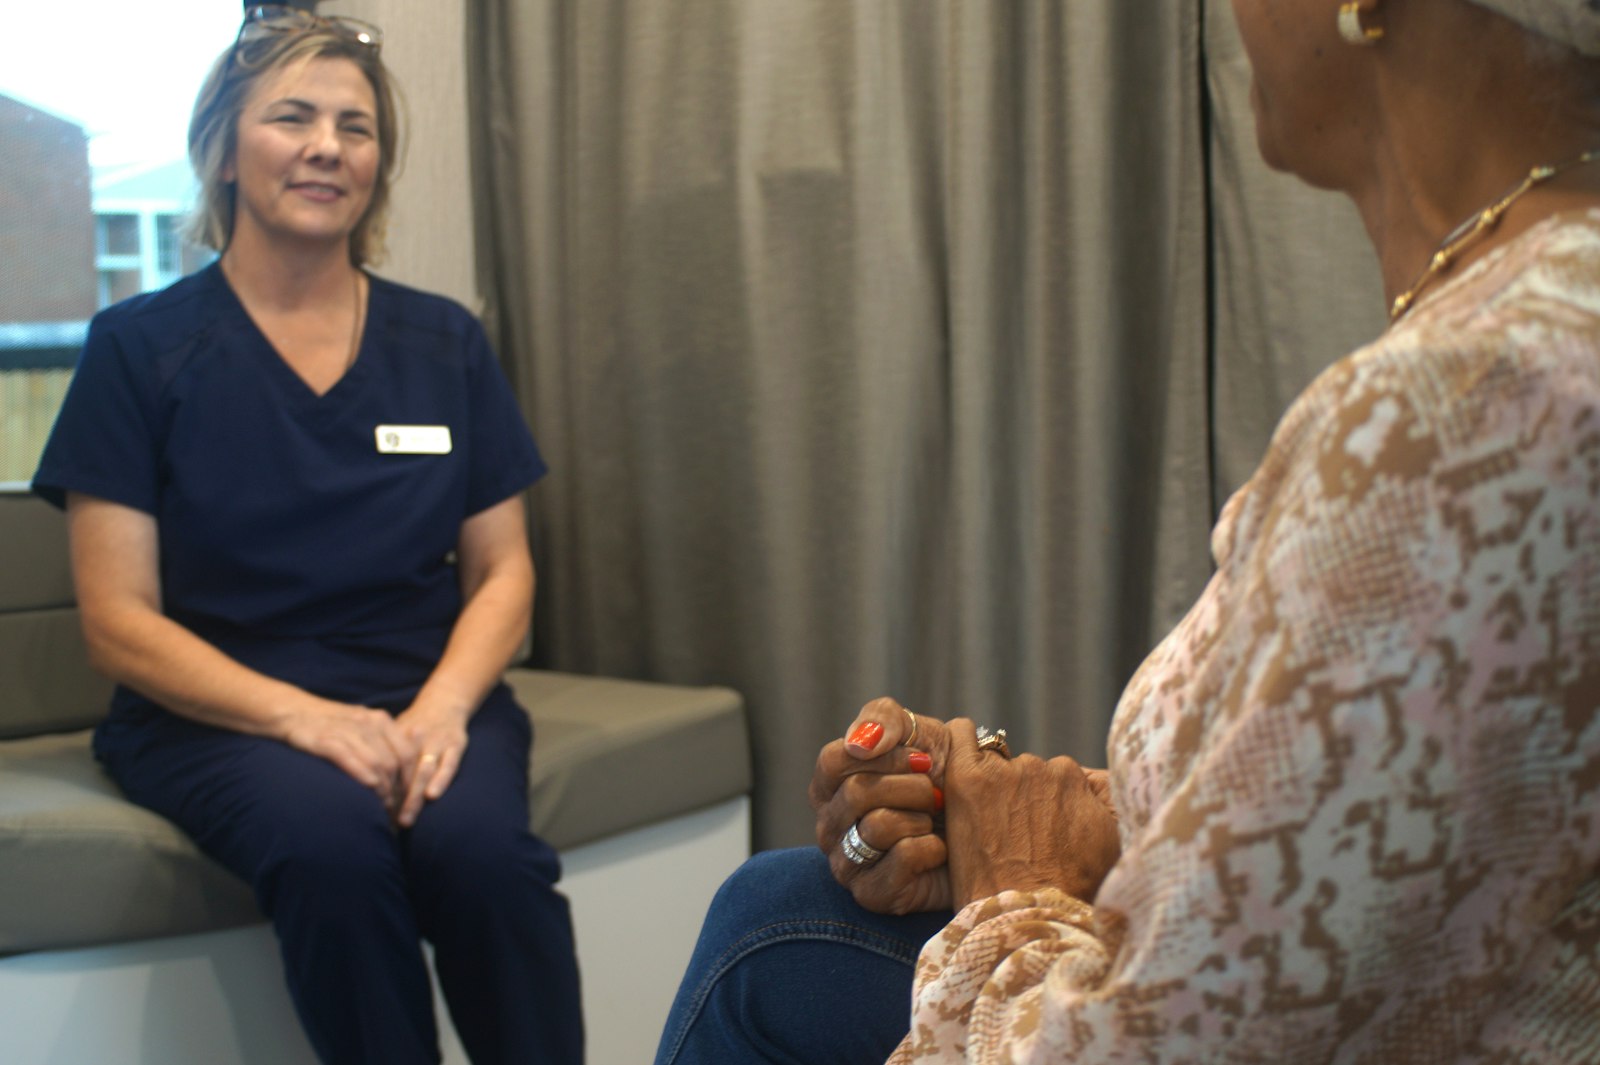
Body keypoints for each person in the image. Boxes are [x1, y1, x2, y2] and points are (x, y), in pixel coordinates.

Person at [654, 0, 1600, 1060]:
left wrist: (1010, 892)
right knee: (775, 910)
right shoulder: (1520, 334)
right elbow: (1420, 821)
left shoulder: (1475, 405)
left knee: (763, 945)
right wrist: (1061, 818)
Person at [31, 7, 582, 1064]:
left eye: (356, 126)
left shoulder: (442, 341)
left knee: (484, 857)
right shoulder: (139, 349)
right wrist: (305, 720)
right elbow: (116, 624)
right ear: (223, 151)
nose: (329, 146)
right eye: (293, 118)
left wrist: (439, 712)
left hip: (425, 693)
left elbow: (505, 570)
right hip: (216, 713)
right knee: (331, 847)